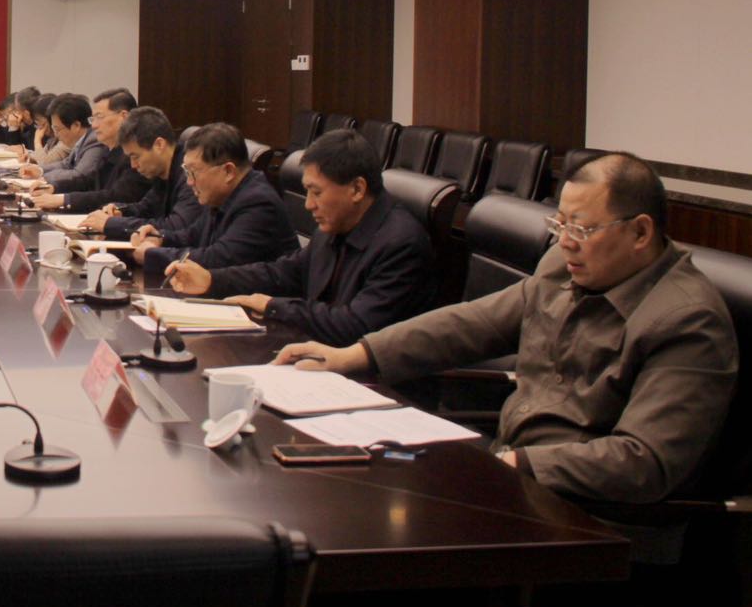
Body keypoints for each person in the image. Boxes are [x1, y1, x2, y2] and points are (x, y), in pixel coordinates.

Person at [276, 152, 737, 507]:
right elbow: (472, 323)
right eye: (560, 224)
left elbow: (644, 462)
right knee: (352, 490)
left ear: (640, 233)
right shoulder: (562, 268)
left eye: (582, 229)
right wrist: (355, 354)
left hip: (594, 519)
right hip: (514, 471)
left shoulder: (686, 320)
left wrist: (518, 463)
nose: (566, 243)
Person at [168, 129, 434, 345]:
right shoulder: (334, 227)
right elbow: (284, 272)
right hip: (323, 357)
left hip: (379, 385)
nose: (308, 205)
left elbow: (356, 326)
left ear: (357, 189)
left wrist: (273, 306)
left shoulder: (401, 243)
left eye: (316, 192)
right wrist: (213, 279)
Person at [135, 123, 298, 276]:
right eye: (186, 172)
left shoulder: (259, 203)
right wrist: (160, 238)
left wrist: (153, 255)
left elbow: (217, 259)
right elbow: (194, 234)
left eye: (193, 172)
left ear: (228, 171)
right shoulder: (222, 194)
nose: (189, 182)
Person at [79, 106, 204, 241]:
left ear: (159, 145)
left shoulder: (190, 174)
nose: (133, 165)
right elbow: (146, 208)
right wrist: (120, 211)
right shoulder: (163, 171)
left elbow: (176, 225)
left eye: (136, 156)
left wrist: (112, 224)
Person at [30, 88, 150, 212]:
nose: (94, 125)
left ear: (123, 117)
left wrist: (65, 199)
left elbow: (117, 196)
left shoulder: (136, 153)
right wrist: (54, 187)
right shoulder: (109, 149)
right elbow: (89, 180)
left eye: (100, 117)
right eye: (93, 119)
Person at [21, 93, 106, 187]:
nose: (56, 135)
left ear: (76, 125)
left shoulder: (93, 140)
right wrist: (39, 170)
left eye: (57, 129)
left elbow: (79, 174)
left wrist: (44, 178)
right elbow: (65, 164)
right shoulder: (81, 140)